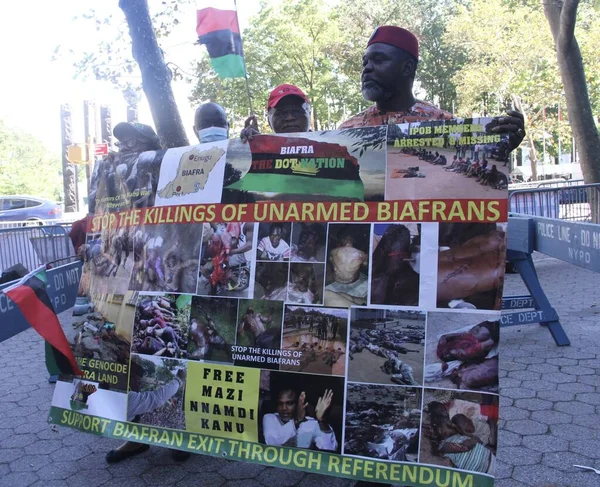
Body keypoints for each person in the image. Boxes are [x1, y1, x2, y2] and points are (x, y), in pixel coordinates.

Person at [339, 26, 525, 152]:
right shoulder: (345, 131)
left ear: (407, 68)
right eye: (365, 62)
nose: (367, 69)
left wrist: (502, 144)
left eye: (378, 60)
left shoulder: (448, 125)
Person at [105, 364, 188, 462]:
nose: (139, 382)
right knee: (147, 406)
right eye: (135, 378)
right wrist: (179, 379)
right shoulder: (124, 398)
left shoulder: (109, 389)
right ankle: (137, 442)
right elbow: (156, 398)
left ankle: (138, 441)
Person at [262, 388, 337, 451]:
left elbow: (329, 449)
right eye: (280, 404)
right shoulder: (270, 418)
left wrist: (321, 421)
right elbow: (272, 443)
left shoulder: (310, 423)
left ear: (299, 403)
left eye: (289, 403)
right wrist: (297, 421)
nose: (284, 408)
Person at [241, 84, 311, 140]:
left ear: (308, 115)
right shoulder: (262, 150)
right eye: (282, 113)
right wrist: (256, 144)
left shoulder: (322, 146)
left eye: (296, 111)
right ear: (269, 121)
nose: (289, 118)